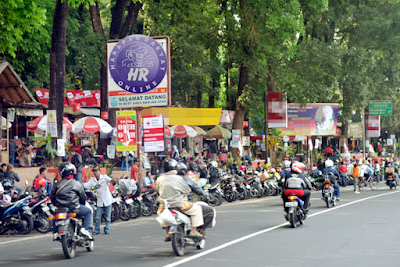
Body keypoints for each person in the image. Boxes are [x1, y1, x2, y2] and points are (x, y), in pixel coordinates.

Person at [156, 159, 204, 241]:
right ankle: (193, 231)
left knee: (160, 214)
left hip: (164, 206)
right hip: (179, 204)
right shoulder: (179, 178)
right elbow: (186, 191)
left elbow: (157, 190)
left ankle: (168, 232)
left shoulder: (159, 179)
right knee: (197, 209)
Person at [50, 162, 93, 238]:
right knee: (88, 211)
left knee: (55, 215)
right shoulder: (76, 183)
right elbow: (82, 197)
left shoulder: (56, 184)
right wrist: (82, 203)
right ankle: (86, 229)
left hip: (61, 209)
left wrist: (57, 205)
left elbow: (52, 198)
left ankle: (55, 232)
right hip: (74, 209)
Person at [83, 166, 117, 235]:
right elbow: (86, 185)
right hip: (100, 201)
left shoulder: (104, 177)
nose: (95, 173)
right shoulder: (92, 180)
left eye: (96, 171)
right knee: (98, 217)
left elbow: (111, 180)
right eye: (94, 171)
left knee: (108, 217)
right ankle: (97, 230)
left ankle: (107, 229)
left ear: (99, 171)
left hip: (107, 199)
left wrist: (114, 180)